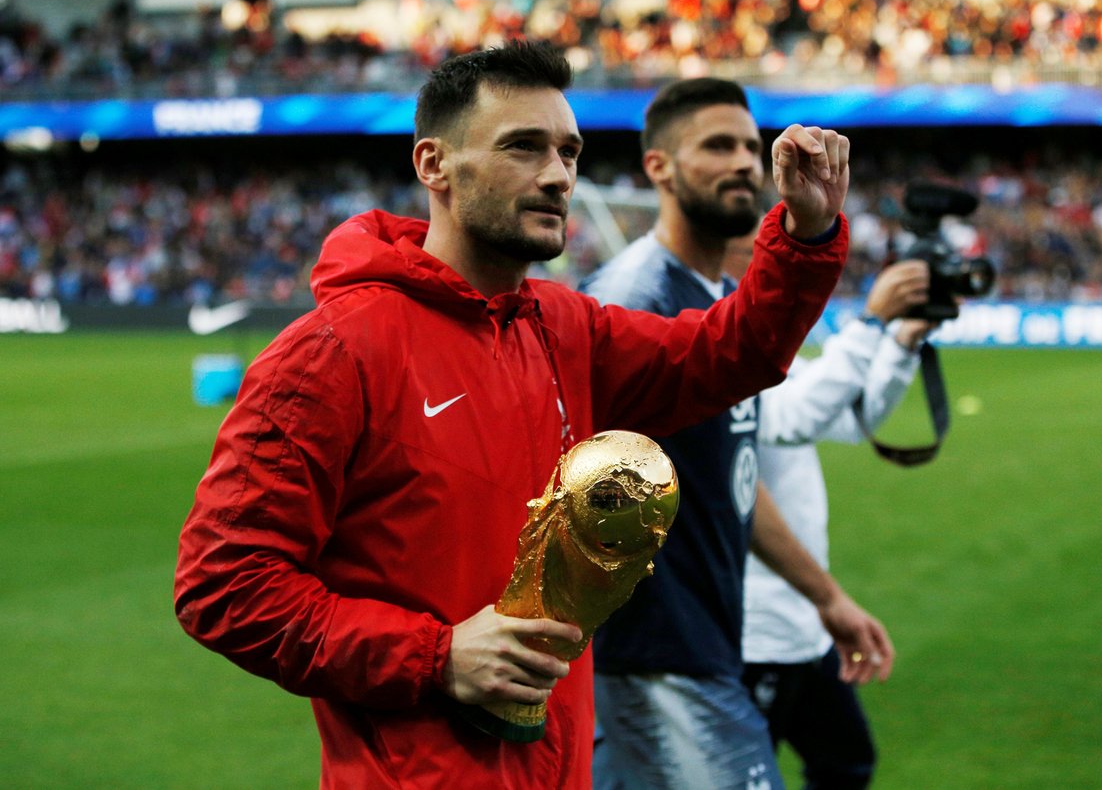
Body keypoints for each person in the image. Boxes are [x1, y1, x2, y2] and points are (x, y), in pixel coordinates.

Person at [173, 41, 850, 789]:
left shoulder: (563, 327)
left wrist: (806, 235)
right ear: (434, 164)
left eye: (569, 151)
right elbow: (224, 582)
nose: (558, 175)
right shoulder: (333, 352)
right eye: (524, 147)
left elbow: (731, 354)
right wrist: (436, 655)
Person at [581, 77, 890, 790]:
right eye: (718, 146)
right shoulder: (635, 301)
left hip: (702, 644)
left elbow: (723, 479)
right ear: (658, 167)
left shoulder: (715, 298)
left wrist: (825, 596)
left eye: (751, 147)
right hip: (654, 656)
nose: (745, 163)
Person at [735, 246, 935, 789]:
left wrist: (899, 342)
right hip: (754, 629)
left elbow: (850, 418)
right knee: (749, 777)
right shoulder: (717, 344)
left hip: (805, 619)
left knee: (847, 761)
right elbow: (796, 417)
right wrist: (871, 322)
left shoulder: (766, 343)